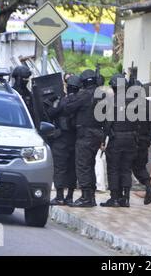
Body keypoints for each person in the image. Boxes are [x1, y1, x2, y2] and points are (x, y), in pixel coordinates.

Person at [62, 69, 104, 207]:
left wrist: (71, 95)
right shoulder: (101, 95)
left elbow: (68, 108)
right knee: (90, 165)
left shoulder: (84, 95)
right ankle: (90, 197)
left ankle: (86, 197)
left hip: (85, 134)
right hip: (97, 133)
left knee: (83, 166)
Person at [100, 74, 138, 207]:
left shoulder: (111, 101)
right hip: (131, 139)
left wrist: (103, 139)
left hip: (116, 138)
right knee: (126, 169)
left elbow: (107, 123)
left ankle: (115, 198)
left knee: (114, 169)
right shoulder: (134, 101)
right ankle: (126, 198)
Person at [45, 75, 82, 206]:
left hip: (61, 138)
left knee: (60, 167)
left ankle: (60, 196)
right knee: (72, 168)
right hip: (76, 138)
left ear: (67, 86)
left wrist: (50, 102)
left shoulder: (63, 101)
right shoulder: (81, 101)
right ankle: (70, 196)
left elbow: (50, 113)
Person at [130, 80, 151, 205]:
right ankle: (149, 186)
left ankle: (122, 196)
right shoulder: (147, 104)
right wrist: (148, 140)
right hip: (144, 141)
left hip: (133, 141)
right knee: (140, 168)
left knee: (124, 168)